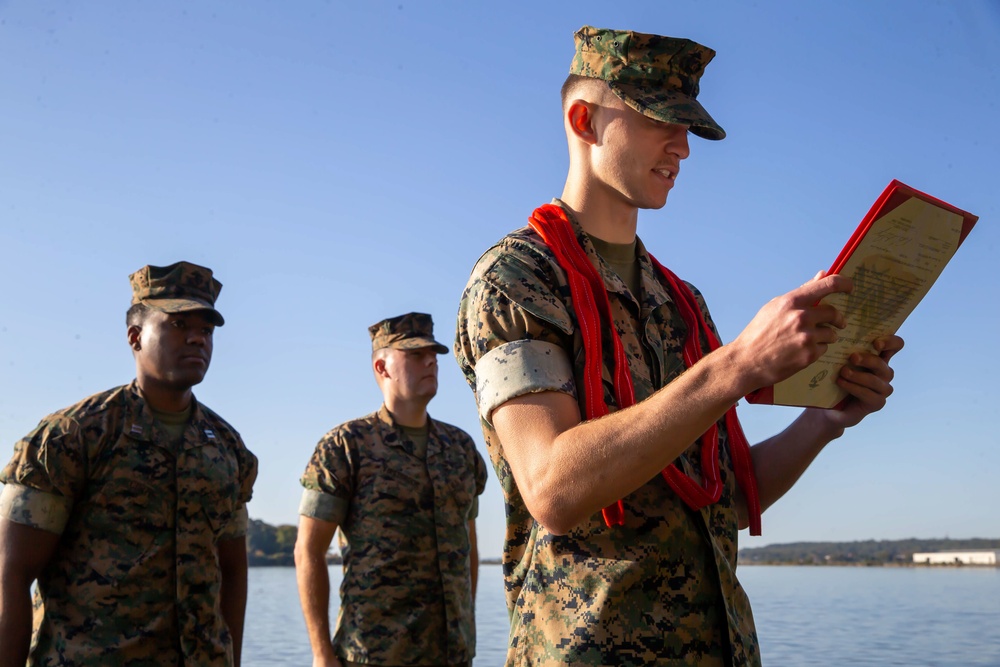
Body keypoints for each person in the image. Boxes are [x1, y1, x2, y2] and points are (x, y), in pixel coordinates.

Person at [454, 26, 904, 666]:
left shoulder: (682, 302)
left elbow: (725, 497)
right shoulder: (518, 280)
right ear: (584, 121)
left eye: (687, 127)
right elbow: (553, 488)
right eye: (658, 121)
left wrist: (824, 420)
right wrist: (739, 364)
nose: (683, 147)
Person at [0, 261, 258, 667]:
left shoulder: (226, 448)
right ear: (135, 337)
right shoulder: (73, 436)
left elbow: (233, 573)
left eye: (206, 331)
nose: (197, 339)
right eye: (177, 325)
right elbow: (11, 575)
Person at [295, 312, 488, 667]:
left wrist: (466, 628)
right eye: (415, 354)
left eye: (433, 354)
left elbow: (468, 546)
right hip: (373, 654)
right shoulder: (345, 447)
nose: (430, 360)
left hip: (451, 654)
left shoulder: (460, 449)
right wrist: (322, 654)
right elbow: (308, 552)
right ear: (381, 367)